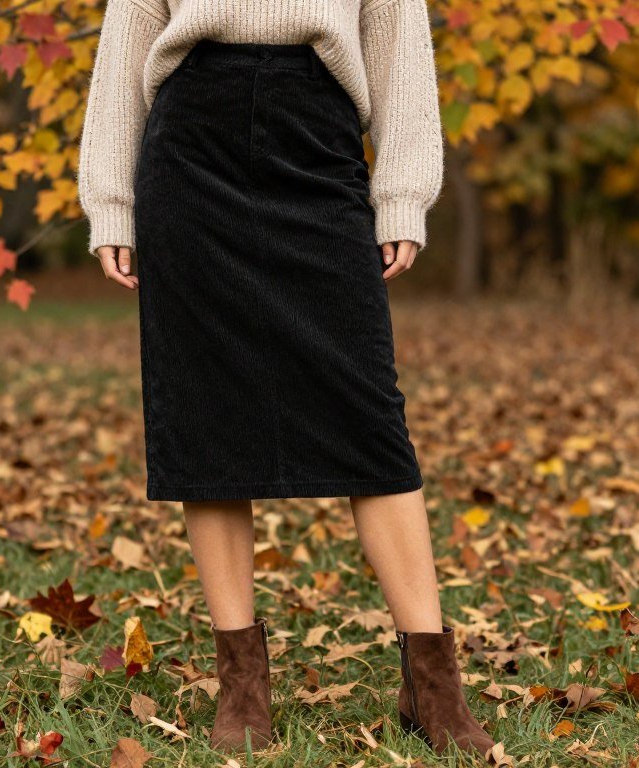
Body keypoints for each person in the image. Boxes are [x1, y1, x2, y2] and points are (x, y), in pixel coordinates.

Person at [77, 0, 495, 759]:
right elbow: (127, 36)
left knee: (369, 418)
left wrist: (403, 192)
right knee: (207, 414)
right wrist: (110, 202)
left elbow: (399, 40)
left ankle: (432, 681)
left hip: (319, 143)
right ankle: (242, 683)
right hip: (191, 151)